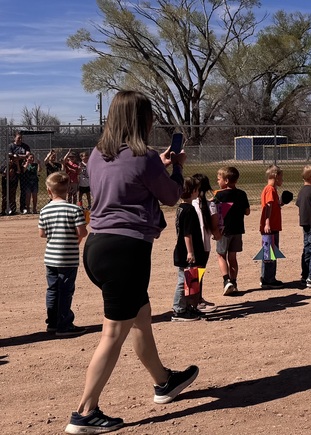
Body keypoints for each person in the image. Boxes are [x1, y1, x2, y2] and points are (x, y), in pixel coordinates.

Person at [65, 90, 198, 435]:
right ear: (141, 120)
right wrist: (177, 167)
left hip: (97, 246)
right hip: (127, 251)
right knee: (114, 332)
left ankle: (163, 382)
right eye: (149, 115)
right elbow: (171, 196)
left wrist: (162, 164)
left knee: (140, 318)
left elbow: (124, 178)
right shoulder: (146, 156)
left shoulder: (97, 154)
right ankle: (84, 412)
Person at [38, 171, 88, 336]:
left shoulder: (44, 210)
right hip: (68, 258)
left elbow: (42, 234)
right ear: (68, 190)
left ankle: (52, 322)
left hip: (51, 257)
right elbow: (82, 232)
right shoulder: (74, 210)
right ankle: (64, 325)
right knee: (66, 290)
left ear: (49, 191)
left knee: (52, 289)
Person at [171, 177, 206, 321]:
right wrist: (190, 252)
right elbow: (187, 233)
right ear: (193, 192)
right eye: (197, 190)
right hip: (186, 251)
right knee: (183, 281)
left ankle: (189, 307)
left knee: (191, 280)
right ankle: (178, 309)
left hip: (183, 250)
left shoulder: (181, 208)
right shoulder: (189, 210)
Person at [212, 166, 250, 295]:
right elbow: (247, 212)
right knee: (232, 257)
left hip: (224, 231)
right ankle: (234, 282)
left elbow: (213, 210)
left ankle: (226, 280)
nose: (218, 182)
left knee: (220, 255)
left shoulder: (219, 195)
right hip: (238, 230)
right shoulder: (242, 194)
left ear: (226, 180)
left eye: (219, 179)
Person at [191, 173, 219, 313]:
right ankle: (196, 301)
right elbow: (215, 227)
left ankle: (194, 301)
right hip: (204, 245)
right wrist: (218, 235)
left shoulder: (190, 205)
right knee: (198, 273)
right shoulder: (210, 205)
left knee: (192, 274)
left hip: (191, 245)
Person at [259, 165, 286, 289]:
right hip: (270, 226)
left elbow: (273, 205)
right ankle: (269, 279)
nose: (282, 180)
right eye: (281, 177)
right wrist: (267, 223)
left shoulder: (270, 189)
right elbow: (268, 207)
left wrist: (281, 203)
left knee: (267, 253)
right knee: (271, 253)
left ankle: (265, 277)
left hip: (270, 226)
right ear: (275, 176)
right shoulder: (270, 189)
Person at [9, 132, 31, 214]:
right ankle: (12, 208)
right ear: (14, 138)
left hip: (23, 169)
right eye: (18, 138)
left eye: (21, 138)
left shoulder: (25, 146)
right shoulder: (11, 146)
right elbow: (11, 156)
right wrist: (21, 156)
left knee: (23, 189)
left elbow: (28, 155)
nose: (20, 139)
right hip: (13, 170)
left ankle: (23, 207)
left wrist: (18, 156)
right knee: (12, 190)